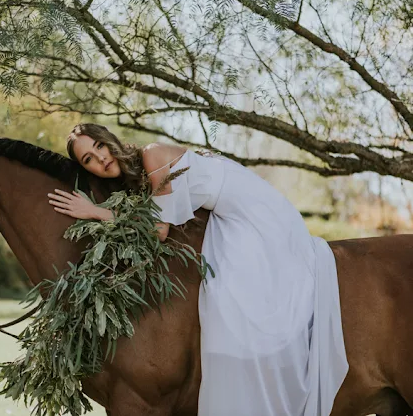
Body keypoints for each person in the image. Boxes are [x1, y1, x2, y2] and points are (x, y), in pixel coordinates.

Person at [48, 123, 349, 416]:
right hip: (222, 214)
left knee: (229, 295)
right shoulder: (134, 177)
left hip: (249, 211)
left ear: (108, 139)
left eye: (99, 145)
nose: (100, 157)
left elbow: (157, 231)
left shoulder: (152, 156)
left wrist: (95, 212)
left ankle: (274, 370)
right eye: (88, 158)